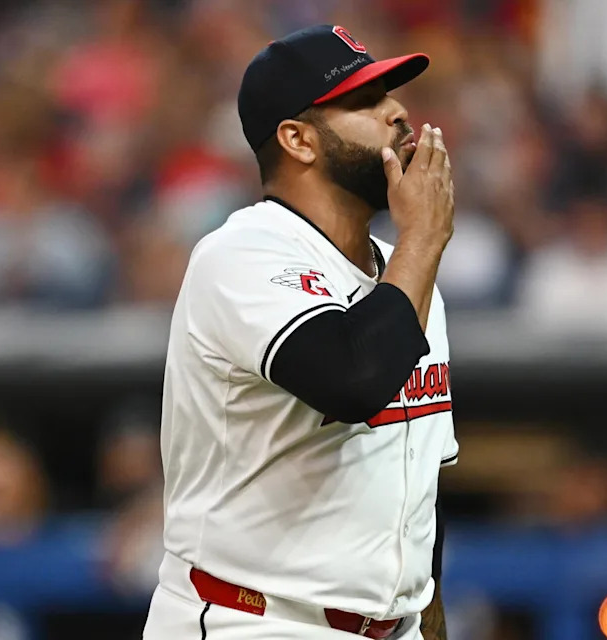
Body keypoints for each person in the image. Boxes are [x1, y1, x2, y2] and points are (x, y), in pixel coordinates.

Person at [143, 24, 457, 640]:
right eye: (365, 101)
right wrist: (423, 239)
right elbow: (353, 381)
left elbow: (421, 497)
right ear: (298, 140)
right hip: (252, 618)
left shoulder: (409, 276)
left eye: (390, 93)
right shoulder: (242, 253)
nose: (397, 112)